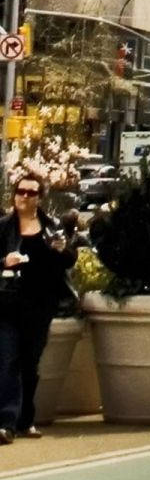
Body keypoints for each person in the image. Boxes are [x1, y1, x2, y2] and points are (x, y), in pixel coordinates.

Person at [0, 173, 77, 441]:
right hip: (8, 304)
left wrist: (61, 249)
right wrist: (4, 262)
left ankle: (26, 420)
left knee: (30, 364)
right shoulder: (4, 227)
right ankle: (6, 423)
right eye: (20, 191)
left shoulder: (51, 226)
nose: (24, 196)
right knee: (7, 361)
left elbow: (69, 261)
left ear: (39, 198)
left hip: (40, 305)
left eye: (31, 193)